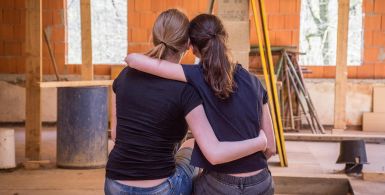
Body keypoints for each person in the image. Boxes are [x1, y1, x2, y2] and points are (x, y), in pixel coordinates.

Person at [105, 9, 268, 195]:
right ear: (187, 45)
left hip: (114, 184)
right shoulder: (187, 87)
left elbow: (116, 135)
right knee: (192, 146)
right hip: (162, 189)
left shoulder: (124, 76)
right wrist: (259, 141)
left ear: (154, 36)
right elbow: (213, 151)